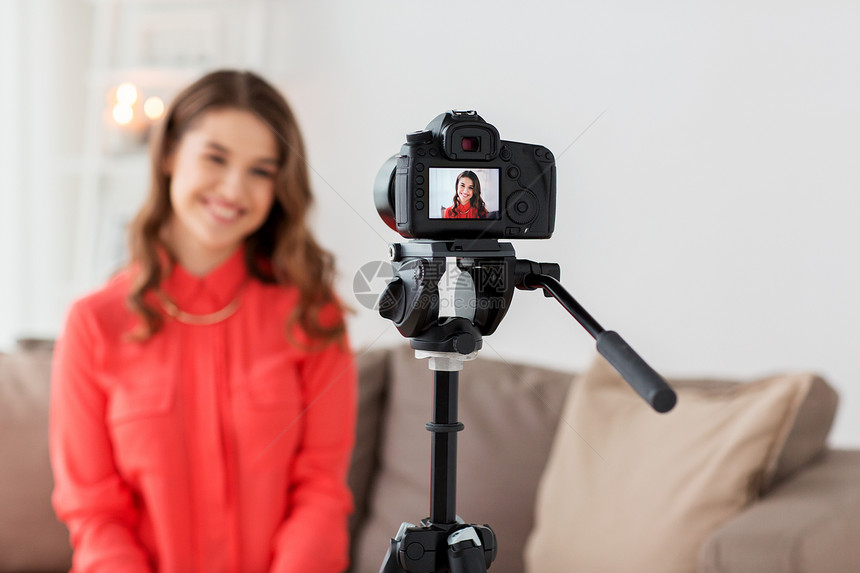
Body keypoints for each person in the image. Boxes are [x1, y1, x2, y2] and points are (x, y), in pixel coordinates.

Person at [49, 70, 356, 573]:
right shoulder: (93, 325)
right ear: (169, 153)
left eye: (261, 170)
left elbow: (321, 492)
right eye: (215, 158)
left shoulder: (313, 316)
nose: (234, 188)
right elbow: (95, 514)